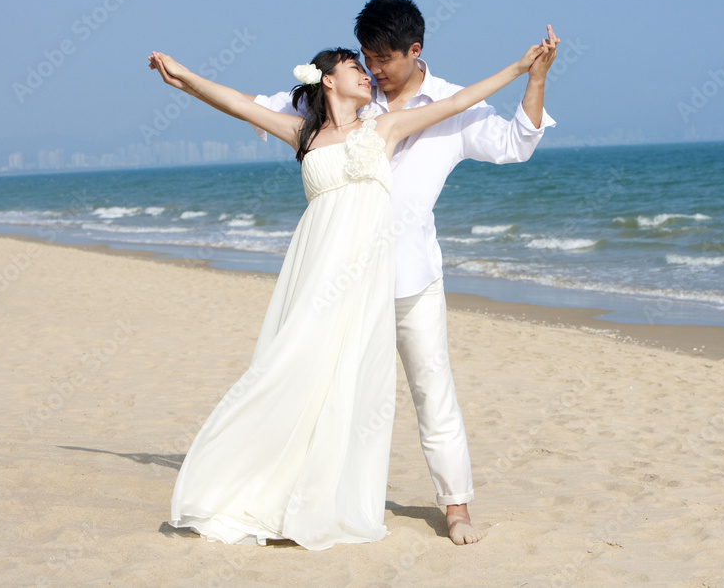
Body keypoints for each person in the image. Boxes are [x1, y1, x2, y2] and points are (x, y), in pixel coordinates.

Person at [147, 28, 558, 550]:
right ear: (328, 79)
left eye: (373, 63)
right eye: (357, 65)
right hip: (321, 280)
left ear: (412, 51)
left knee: (409, 392)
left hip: (397, 278)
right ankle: (273, 483)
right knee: (293, 375)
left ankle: (454, 505)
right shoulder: (303, 132)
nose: (368, 72)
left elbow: (460, 100)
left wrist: (522, 68)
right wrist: (182, 76)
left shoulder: (383, 128)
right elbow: (238, 103)